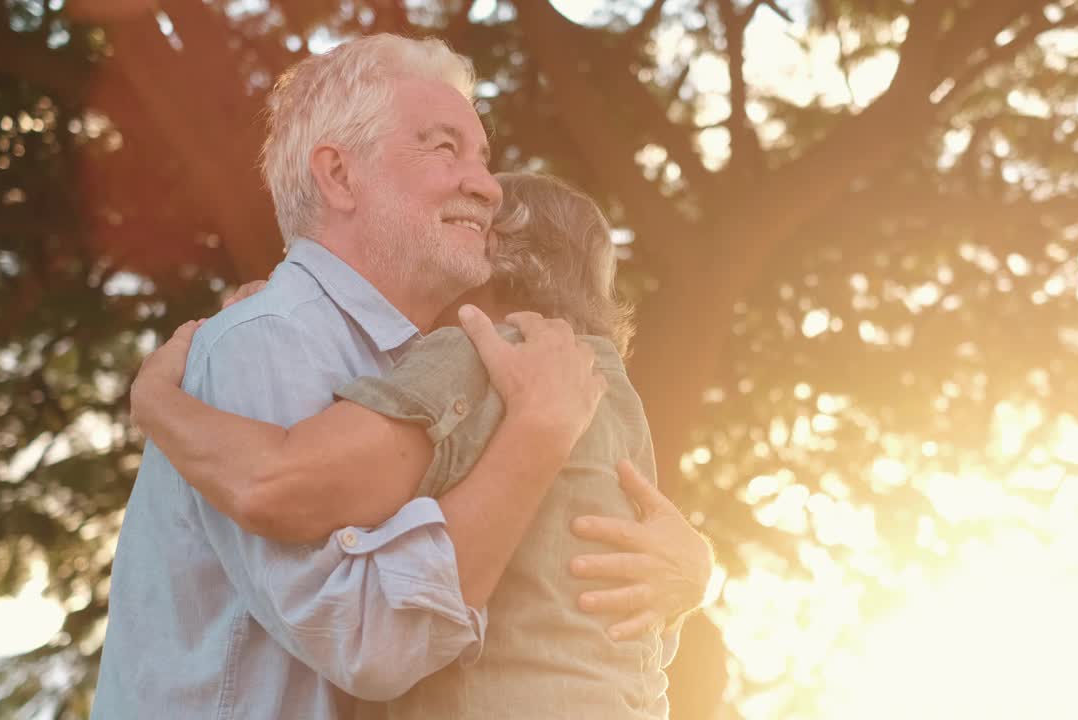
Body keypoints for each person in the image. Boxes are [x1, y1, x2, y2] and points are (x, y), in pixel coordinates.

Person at [93, 35, 710, 719]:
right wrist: (538, 434)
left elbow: (559, 599)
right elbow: (374, 639)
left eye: (482, 155)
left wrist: (693, 577)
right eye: (445, 148)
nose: (485, 185)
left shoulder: (462, 362)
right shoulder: (269, 339)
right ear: (338, 175)